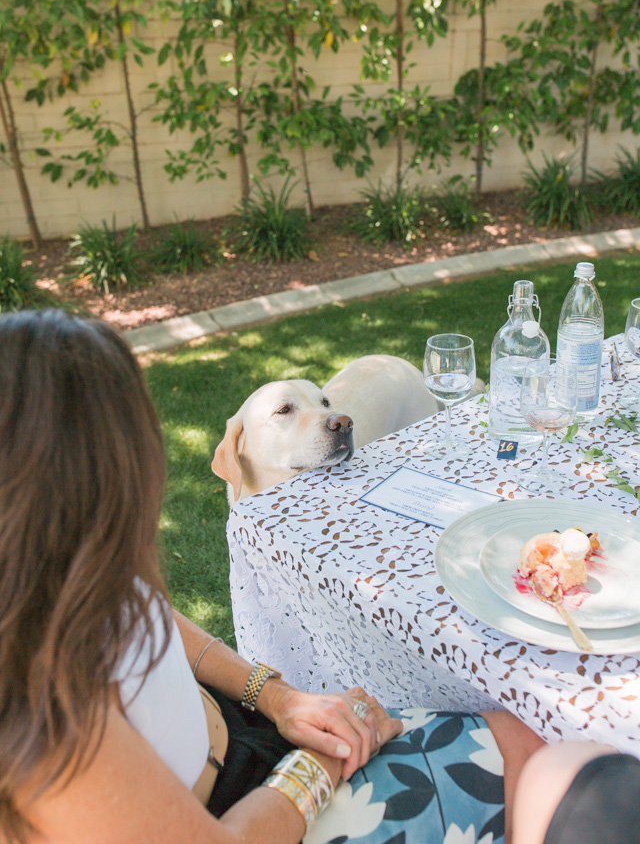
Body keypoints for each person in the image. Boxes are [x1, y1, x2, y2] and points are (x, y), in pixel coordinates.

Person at [0, 308, 637, 844]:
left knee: (540, 737)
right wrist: (318, 766)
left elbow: (151, 616)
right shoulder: (41, 716)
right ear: (93, 472)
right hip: (250, 809)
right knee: (562, 762)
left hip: (249, 737)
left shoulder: (50, 577)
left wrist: (278, 697)